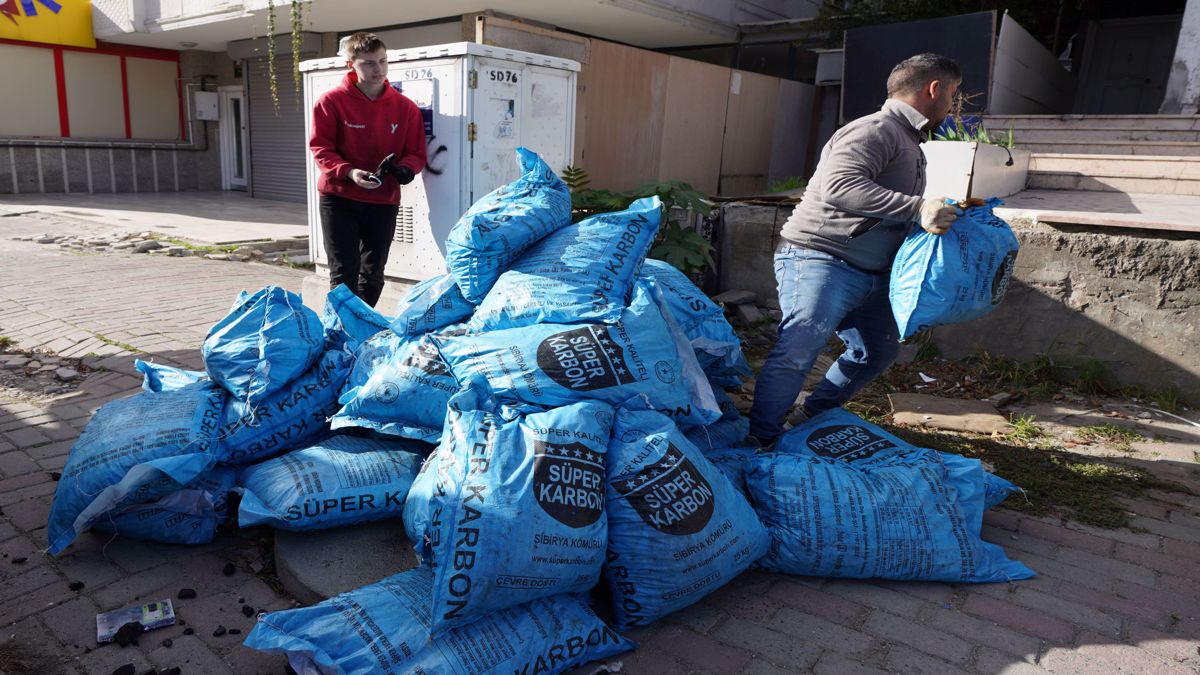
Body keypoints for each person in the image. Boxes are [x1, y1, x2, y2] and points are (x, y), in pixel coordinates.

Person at [748, 53, 962, 446]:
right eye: (951, 94)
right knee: (800, 347)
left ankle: (806, 418)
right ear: (934, 90)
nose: (951, 105)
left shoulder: (907, 140)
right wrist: (917, 208)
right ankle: (760, 441)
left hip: (869, 271)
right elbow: (840, 186)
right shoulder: (875, 129)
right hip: (820, 257)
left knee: (876, 352)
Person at [309, 32, 428, 308]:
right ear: (351, 64)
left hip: (383, 200)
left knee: (373, 274)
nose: (379, 69)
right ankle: (340, 332)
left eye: (383, 61)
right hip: (339, 199)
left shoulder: (405, 108)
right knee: (344, 274)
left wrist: (406, 169)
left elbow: (416, 152)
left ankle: (360, 329)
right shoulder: (331, 101)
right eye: (369, 63)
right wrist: (350, 172)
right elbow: (321, 148)